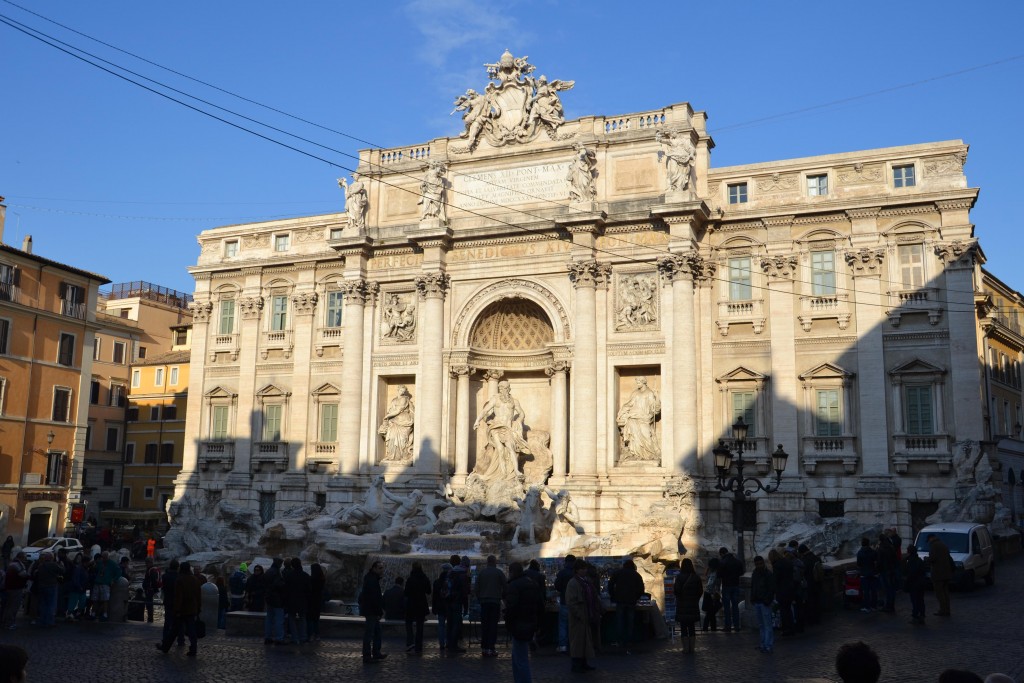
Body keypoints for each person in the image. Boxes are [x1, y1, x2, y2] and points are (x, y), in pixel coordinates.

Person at [474, 380, 531, 480]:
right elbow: (485, 410)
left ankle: (516, 471)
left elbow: (521, 413)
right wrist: (477, 420)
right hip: (496, 426)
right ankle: (502, 472)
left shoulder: (514, 401)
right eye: (500, 388)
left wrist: (518, 421)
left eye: (504, 388)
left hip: (508, 427)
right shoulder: (495, 399)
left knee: (510, 448)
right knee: (500, 449)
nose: (501, 390)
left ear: (508, 389)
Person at [504, 561, 545, 683]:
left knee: (520, 659)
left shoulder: (514, 585)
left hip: (519, 625)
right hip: (530, 623)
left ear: (511, 572)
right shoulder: (532, 583)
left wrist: (508, 622)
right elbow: (540, 605)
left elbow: (512, 607)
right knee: (518, 657)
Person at [157, 561, 200, 656]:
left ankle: (165, 647)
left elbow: (178, 597)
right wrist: (198, 608)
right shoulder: (195, 579)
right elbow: (198, 596)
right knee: (192, 630)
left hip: (182, 610)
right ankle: (193, 648)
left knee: (173, 630)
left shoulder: (180, 580)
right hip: (192, 608)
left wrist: (176, 610)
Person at [616, 377, 662, 462]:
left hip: (645, 418)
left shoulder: (650, 393)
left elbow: (655, 409)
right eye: (637, 382)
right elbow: (629, 404)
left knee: (646, 436)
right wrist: (621, 412)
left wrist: (657, 398)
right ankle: (635, 454)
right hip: (633, 417)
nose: (637, 384)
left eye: (638, 382)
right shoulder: (635, 393)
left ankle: (649, 454)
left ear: (644, 382)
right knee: (634, 436)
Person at [565, 559, 598, 673]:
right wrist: (579, 614)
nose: (585, 570)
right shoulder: (573, 583)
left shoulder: (586, 581)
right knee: (577, 642)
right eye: (582, 569)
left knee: (585, 641)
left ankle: (584, 663)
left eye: (585, 568)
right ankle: (576, 664)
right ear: (577, 570)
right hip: (578, 618)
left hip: (586, 614)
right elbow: (571, 602)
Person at [608, 557, 645, 652]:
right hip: (631, 601)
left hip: (620, 600)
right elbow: (641, 589)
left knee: (620, 621)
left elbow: (610, 585)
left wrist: (613, 596)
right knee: (630, 622)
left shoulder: (618, 573)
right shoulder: (636, 575)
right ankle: (629, 641)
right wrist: (636, 597)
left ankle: (620, 640)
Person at [475, 555, 507, 657]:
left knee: (485, 625)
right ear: (495, 562)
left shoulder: (482, 573)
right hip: (495, 602)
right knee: (493, 625)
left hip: (484, 602)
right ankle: (491, 648)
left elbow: (476, 587)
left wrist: (479, 598)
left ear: (487, 562)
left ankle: (484, 648)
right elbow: (506, 586)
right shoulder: (499, 573)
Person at [673, 558, 703, 655]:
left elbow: (676, 591)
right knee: (691, 627)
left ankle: (685, 648)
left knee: (683, 627)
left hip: (682, 605)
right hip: (693, 605)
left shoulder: (679, 577)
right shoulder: (696, 577)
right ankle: (692, 648)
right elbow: (700, 591)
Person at [359, 560, 387, 663]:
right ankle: (367, 655)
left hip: (371, 610)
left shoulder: (372, 578)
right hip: (371, 611)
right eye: (380, 568)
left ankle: (376, 652)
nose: (382, 570)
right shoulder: (372, 580)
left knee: (376, 632)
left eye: (382, 568)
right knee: (370, 633)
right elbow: (373, 598)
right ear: (374, 568)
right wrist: (378, 611)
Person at [379, 385, 415, 461]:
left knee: (402, 440)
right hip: (394, 420)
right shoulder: (394, 400)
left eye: (404, 391)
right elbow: (392, 410)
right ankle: (391, 455)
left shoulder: (404, 399)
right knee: (392, 437)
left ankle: (403, 456)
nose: (402, 392)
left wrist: (387, 416)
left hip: (403, 419)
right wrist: (389, 418)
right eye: (401, 390)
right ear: (398, 390)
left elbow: (398, 410)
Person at [750, 555, 776, 654]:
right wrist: (753, 598)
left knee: (767, 625)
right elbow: (753, 586)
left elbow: (771, 589)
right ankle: (763, 644)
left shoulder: (768, 574)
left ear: (763, 563)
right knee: (762, 625)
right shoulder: (755, 573)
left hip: (764, 602)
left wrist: (767, 600)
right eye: (757, 564)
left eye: (760, 564)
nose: (759, 566)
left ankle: (768, 645)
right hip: (757, 602)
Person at [444, 554, 470, 654]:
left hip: (448, 601)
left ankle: (448, 643)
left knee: (450, 623)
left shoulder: (451, 572)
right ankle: (453, 645)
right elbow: (464, 593)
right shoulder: (463, 575)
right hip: (457, 601)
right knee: (455, 624)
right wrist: (466, 607)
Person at [403, 561, 431, 655]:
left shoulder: (410, 578)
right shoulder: (424, 578)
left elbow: (406, 592)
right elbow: (429, 591)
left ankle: (410, 642)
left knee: (408, 623)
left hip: (411, 604)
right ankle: (419, 647)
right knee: (420, 626)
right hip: (421, 604)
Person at [283, 557, 311, 644]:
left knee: (291, 619)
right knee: (303, 619)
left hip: (291, 600)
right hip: (303, 600)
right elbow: (309, 590)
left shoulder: (289, 575)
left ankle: (294, 638)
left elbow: (285, 589)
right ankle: (303, 637)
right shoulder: (306, 575)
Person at [31, 551, 62, 627]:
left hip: (42, 587)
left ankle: (43, 620)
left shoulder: (40, 566)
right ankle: (50, 621)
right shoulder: (54, 565)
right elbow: (62, 570)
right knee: (51, 605)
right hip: (51, 586)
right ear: (52, 558)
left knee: (43, 604)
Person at [553, 554, 576, 653]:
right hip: (576, 603)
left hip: (564, 601)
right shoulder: (576, 573)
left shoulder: (562, 573)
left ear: (565, 562)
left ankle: (563, 645)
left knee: (563, 625)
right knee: (575, 624)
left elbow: (557, 586)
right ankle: (575, 644)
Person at [717, 547, 744, 633]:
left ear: (721, 554)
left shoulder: (722, 562)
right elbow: (741, 572)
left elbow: (719, 575)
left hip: (726, 586)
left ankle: (728, 626)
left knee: (727, 607)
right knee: (735, 607)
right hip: (735, 585)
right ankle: (736, 626)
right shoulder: (737, 561)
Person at [927, 533, 953, 617]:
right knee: (945, 593)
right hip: (946, 572)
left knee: (939, 593)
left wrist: (926, 559)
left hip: (938, 573)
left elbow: (933, 558)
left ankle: (943, 610)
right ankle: (947, 609)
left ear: (931, 538)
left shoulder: (934, 546)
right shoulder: (943, 545)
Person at [160, 559, 184, 647]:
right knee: (180, 623)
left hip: (168, 601)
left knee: (167, 623)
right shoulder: (180, 577)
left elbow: (163, 588)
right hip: (178, 602)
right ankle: (181, 640)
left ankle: (165, 640)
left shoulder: (165, 576)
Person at [2, 552, 28, 629]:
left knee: (8, 606)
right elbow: (23, 574)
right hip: (15, 588)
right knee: (13, 606)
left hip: (10, 587)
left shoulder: (12, 564)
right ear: (22, 557)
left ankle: (5, 621)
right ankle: (9, 623)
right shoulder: (17, 565)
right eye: (25, 557)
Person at [263, 557, 286, 645]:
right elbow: (279, 585)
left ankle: (267, 637)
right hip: (277, 599)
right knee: (279, 619)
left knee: (269, 618)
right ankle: (279, 638)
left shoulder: (268, 571)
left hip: (269, 598)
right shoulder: (277, 572)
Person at [903, 544, 927, 625]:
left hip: (914, 583)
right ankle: (922, 615)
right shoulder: (919, 560)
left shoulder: (910, 561)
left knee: (915, 600)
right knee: (920, 600)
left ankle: (915, 616)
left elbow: (910, 573)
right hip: (921, 583)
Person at [93, 551, 119, 622]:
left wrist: (114, 580)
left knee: (105, 600)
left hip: (105, 583)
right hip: (98, 582)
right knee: (95, 599)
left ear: (108, 557)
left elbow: (118, 572)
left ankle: (104, 614)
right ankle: (94, 613)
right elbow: (95, 569)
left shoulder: (112, 564)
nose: (104, 559)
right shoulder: (100, 563)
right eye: (103, 557)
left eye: (105, 557)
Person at [877, 532, 899, 613]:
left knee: (887, 589)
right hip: (892, 570)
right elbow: (895, 559)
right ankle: (891, 606)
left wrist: (878, 570)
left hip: (884, 571)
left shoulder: (881, 548)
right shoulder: (891, 547)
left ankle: (888, 606)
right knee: (891, 589)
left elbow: (879, 562)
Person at [432, 562, 451, 651]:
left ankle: (441, 643)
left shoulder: (437, 582)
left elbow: (434, 596)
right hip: (449, 606)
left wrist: (434, 607)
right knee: (449, 625)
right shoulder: (451, 582)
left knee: (441, 626)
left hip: (440, 606)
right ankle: (448, 642)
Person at [856, 538, 879, 613]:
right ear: (868, 543)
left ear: (862, 544)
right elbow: (876, 562)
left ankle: (867, 607)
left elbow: (858, 564)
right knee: (874, 591)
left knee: (866, 591)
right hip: (873, 573)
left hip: (864, 574)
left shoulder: (860, 553)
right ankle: (874, 606)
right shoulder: (873, 552)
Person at [66, 554, 90, 620]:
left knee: (82, 602)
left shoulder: (84, 569)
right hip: (76, 589)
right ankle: (69, 614)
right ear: (85, 562)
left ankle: (76, 614)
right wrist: (79, 586)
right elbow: (75, 579)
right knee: (73, 602)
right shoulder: (78, 569)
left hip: (82, 589)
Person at [702, 557, 722, 632]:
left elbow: (710, 585)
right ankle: (713, 628)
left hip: (711, 595)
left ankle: (706, 628)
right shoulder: (717, 573)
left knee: (709, 613)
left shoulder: (714, 574)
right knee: (711, 613)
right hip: (714, 594)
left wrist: (712, 594)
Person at [307, 563, 326, 642]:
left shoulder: (311, 579)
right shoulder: (322, 579)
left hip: (311, 601)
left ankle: (311, 635)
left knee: (310, 619)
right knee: (316, 619)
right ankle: (317, 635)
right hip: (318, 601)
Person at [141, 558, 161, 623]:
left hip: (149, 590)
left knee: (149, 604)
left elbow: (153, 580)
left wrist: (149, 587)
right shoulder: (151, 569)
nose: (146, 564)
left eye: (147, 563)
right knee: (149, 604)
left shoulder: (151, 570)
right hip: (150, 589)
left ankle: (150, 619)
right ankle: (150, 618)